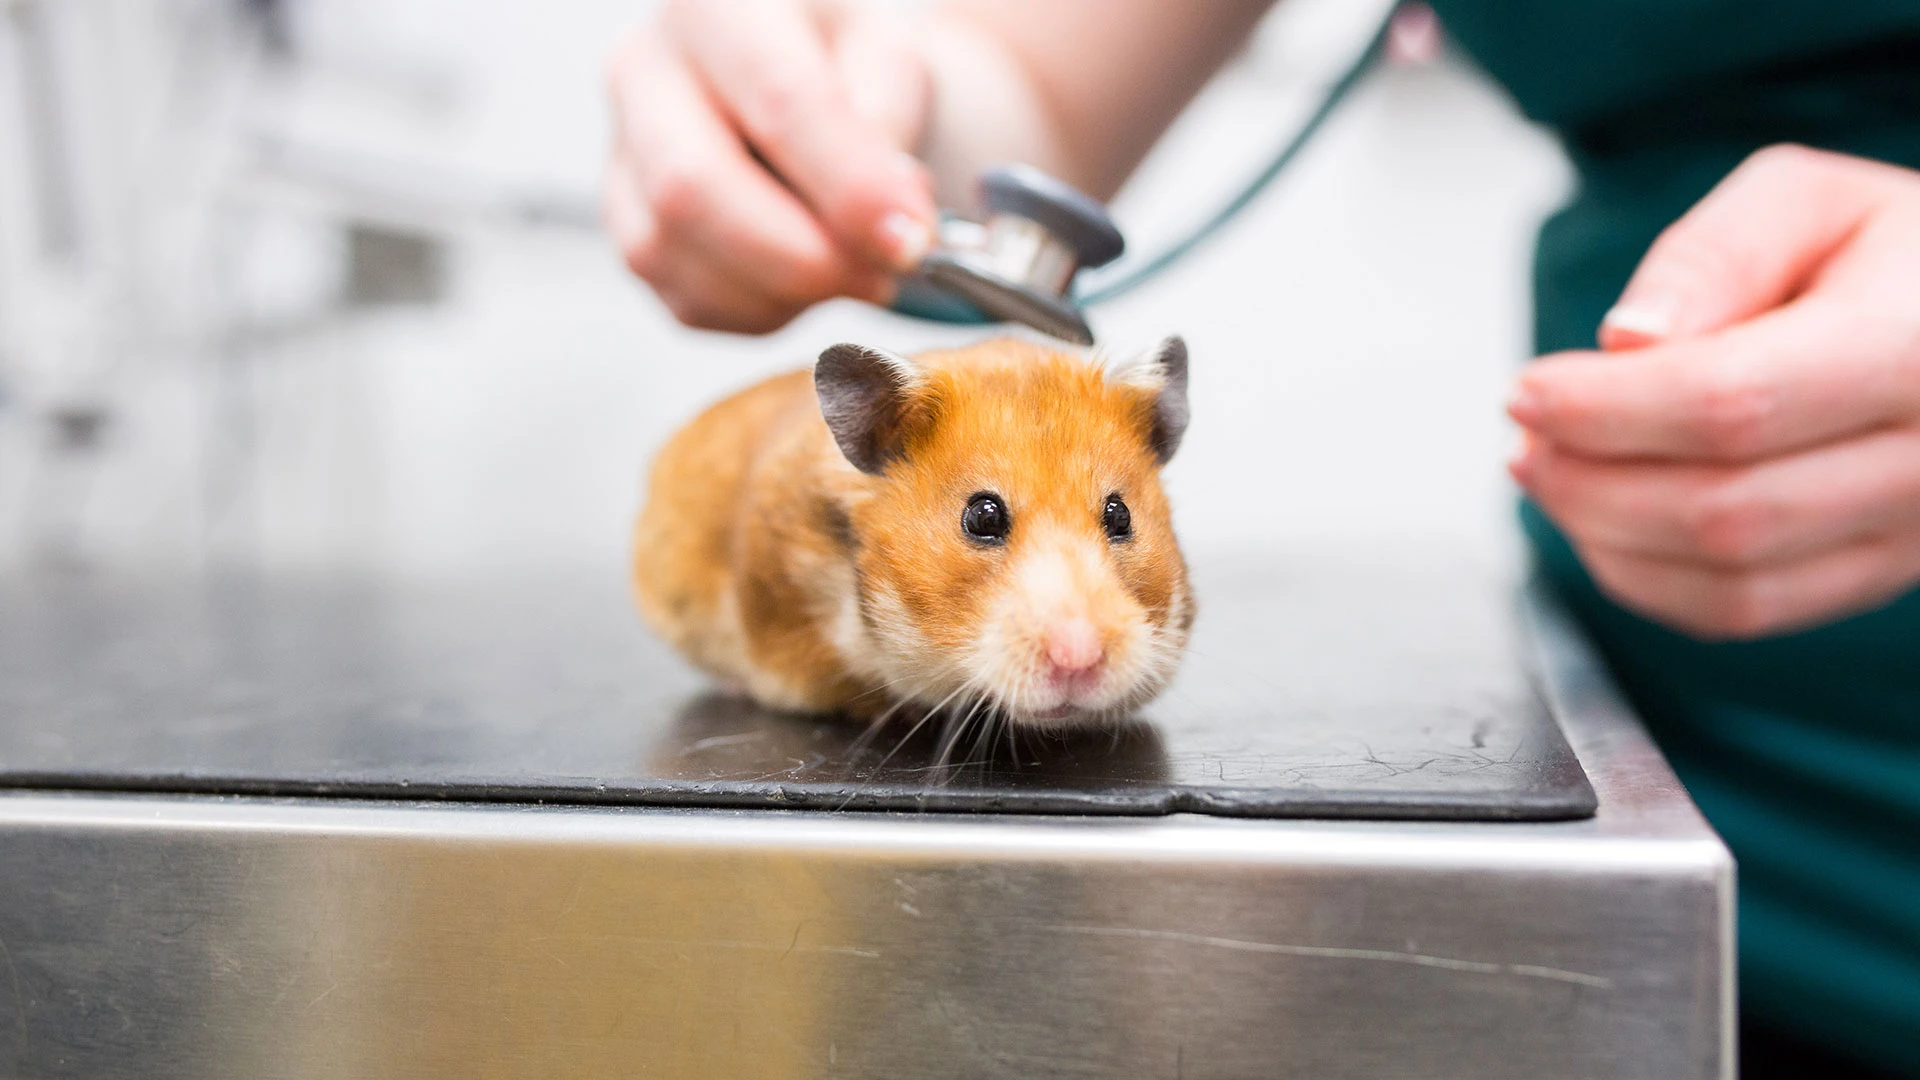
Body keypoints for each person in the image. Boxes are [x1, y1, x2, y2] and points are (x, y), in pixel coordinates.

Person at [600, 2, 1920, 1075]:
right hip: (1661, 828)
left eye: (1116, 521)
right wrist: (845, 103)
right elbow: (1022, 99)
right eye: (990, 525)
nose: (1074, 637)